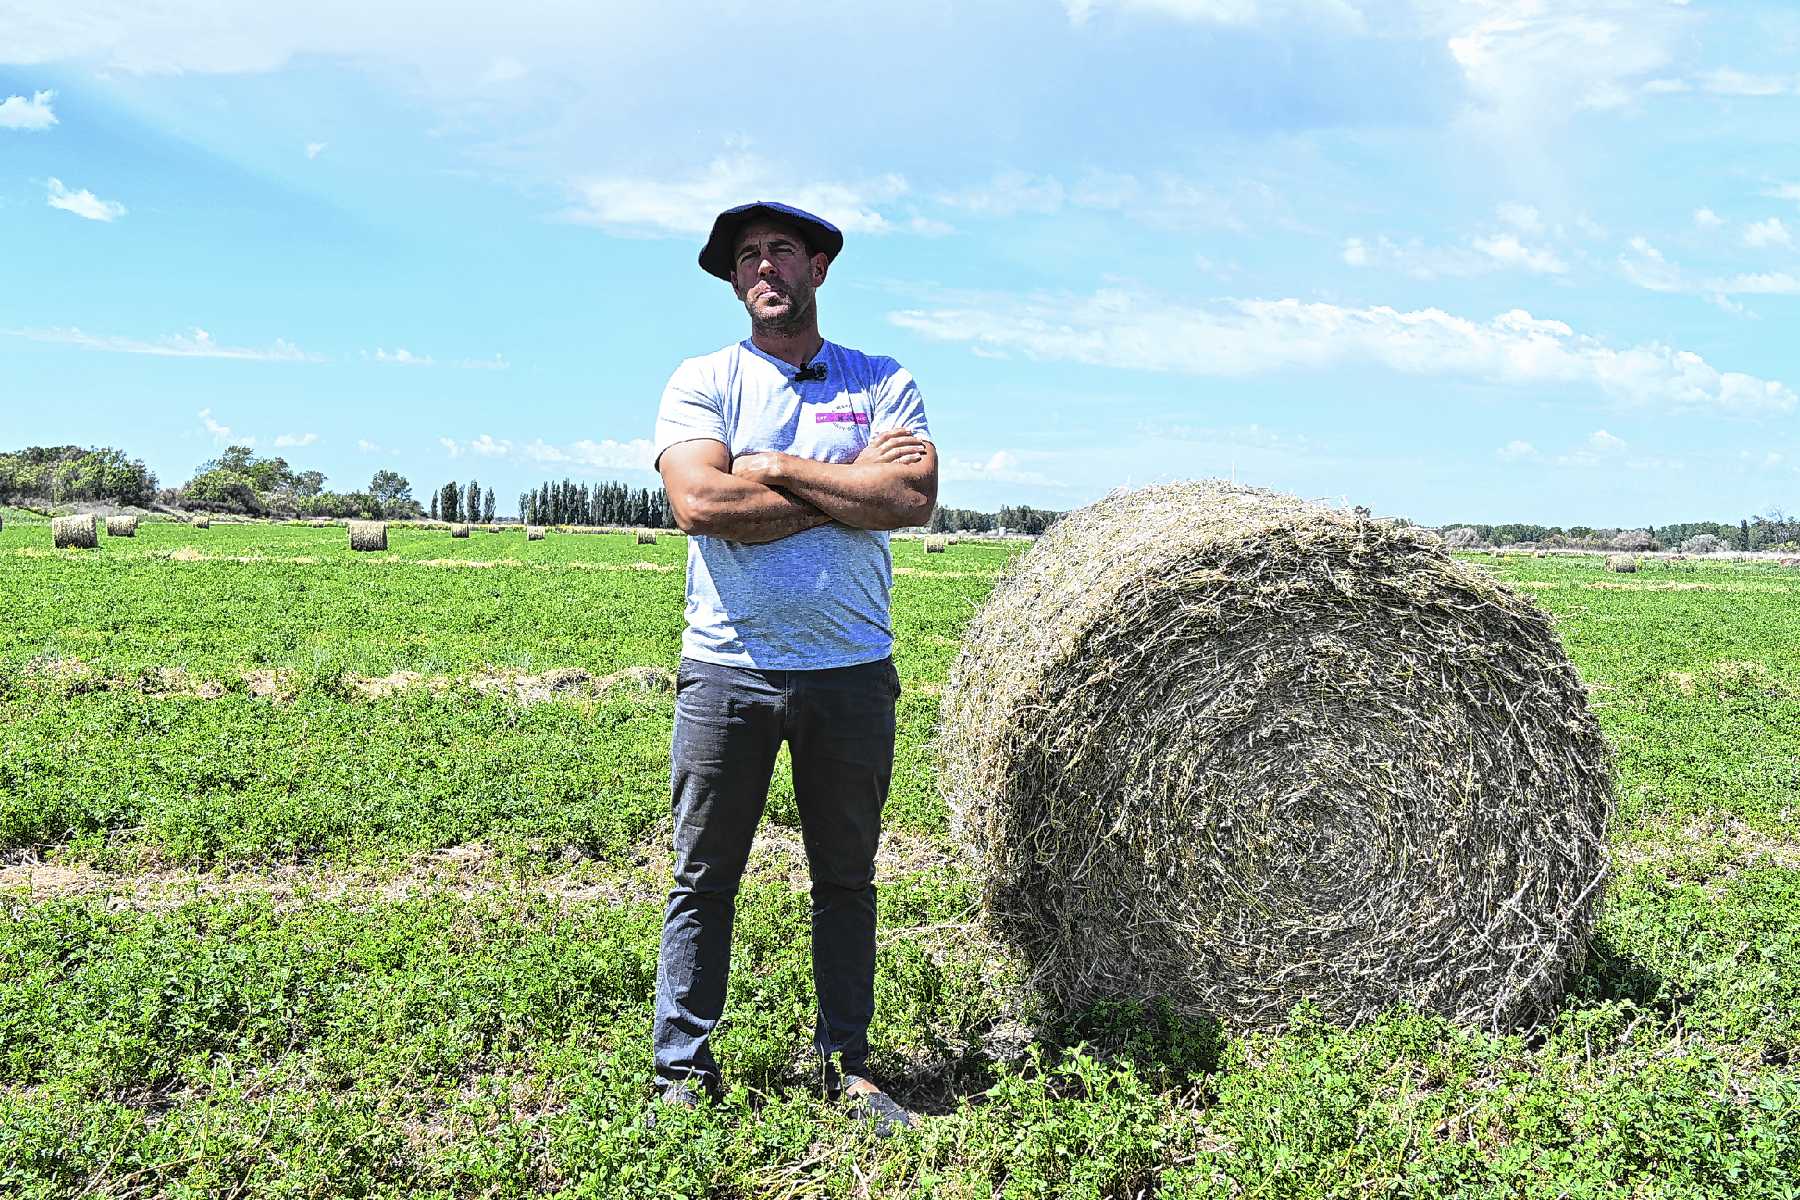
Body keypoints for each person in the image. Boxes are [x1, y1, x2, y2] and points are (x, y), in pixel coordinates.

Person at [650, 201, 938, 1136]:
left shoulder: (881, 378)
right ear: (733, 281)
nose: (762, 268)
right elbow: (699, 502)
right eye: (744, 258)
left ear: (818, 265)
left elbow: (912, 497)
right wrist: (846, 491)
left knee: (846, 878)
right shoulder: (703, 380)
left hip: (851, 670)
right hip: (726, 669)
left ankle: (848, 1066)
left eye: (779, 250)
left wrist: (771, 466)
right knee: (704, 876)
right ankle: (680, 1070)